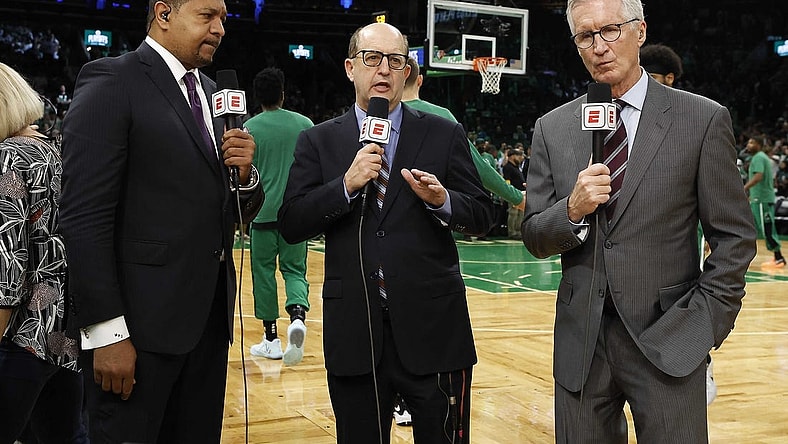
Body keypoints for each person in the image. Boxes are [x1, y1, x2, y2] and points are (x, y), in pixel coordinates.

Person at [521, 1, 756, 442]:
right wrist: (570, 209)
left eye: (610, 30)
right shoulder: (552, 127)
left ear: (640, 31)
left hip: (670, 339)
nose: (599, 47)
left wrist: (702, 328)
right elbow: (534, 235)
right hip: (581, 348)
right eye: (585, 37)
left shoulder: (702, 119)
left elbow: (735, 240)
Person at [278, 22, 495, 443]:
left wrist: (442, 200)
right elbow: (291, 222)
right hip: (355, 334)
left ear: (407, 71)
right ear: (349, 67)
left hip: (435, 333)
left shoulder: (443, 133)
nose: (384, 69)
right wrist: (345, 185)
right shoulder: (318, 141)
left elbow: (483, 214)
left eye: (396, 61)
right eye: (372, 58)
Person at [59, 0, 264, 442]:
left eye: (224, 19)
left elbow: (234, 209)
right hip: (136, 333)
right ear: (164, 13)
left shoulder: (215, 94)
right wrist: (106, 332)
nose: (220, 29)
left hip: (207, 328)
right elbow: (83, 218)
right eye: (207, 16)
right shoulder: (113, 79)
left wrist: (246, 178)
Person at [0, 62, 88, 444]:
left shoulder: (5, 158)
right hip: (64, 335)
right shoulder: (50, 151)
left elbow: (8, 269)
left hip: (20, 334)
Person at [640, 41, 718, 405]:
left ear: (670, 78)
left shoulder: (698, 121)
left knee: (685, 318)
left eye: (653, 77)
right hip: (643, 257)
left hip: (688, 248)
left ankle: (701, 361)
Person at [244, 67, 313, 366]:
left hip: (261, 215)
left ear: (257, 98)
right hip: (296, 214)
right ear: (283, 94)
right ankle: (297, 316)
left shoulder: (249, 128)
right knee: (295, 270)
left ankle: (270, 338)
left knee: (263, 274)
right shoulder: (305, 124)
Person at [402, 57, 526, 213]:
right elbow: (476, 165)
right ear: (419, 80)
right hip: (430, 213)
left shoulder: (375, 115)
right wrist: (517, 198)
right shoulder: (441, 116)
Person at [744, 136, 785, 268]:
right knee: (754, 228)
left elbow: (758, 176)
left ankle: (779, 258)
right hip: (759, 198)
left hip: (762, 199)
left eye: (752, 142)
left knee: (767, 228)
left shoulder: (759, 157)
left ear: (759, 145)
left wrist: (745, 188)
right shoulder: (760, 157)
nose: (749, 144)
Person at [502, 148, 527, 240]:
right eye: (518, 155)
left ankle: (518, 231)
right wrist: (508, 193)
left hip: (521, 193)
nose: (521, 158)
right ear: (512, 156)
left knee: (520, 214)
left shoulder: (516, 167)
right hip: (513, 193)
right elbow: (507, 181)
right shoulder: (507, 167)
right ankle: (512, 232)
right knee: (513, 213)